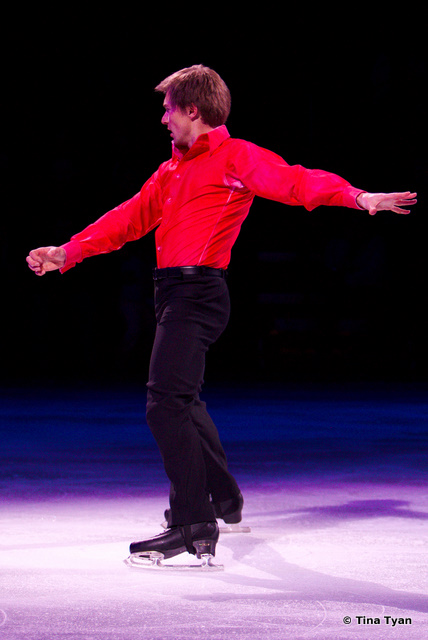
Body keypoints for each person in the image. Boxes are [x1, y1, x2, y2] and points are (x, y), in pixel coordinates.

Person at [26, 64, 417, 567]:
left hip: (199, 293)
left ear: (193, 110)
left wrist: (357, 197)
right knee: (183, 401)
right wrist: (68, 252)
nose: (163, 118)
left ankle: (192, 523)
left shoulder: (235, 156)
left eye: (168, 109)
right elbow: (129, 217)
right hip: (172, 291)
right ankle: (225, 498)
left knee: (165, 404)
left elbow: (294, 181)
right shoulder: (171, 171)